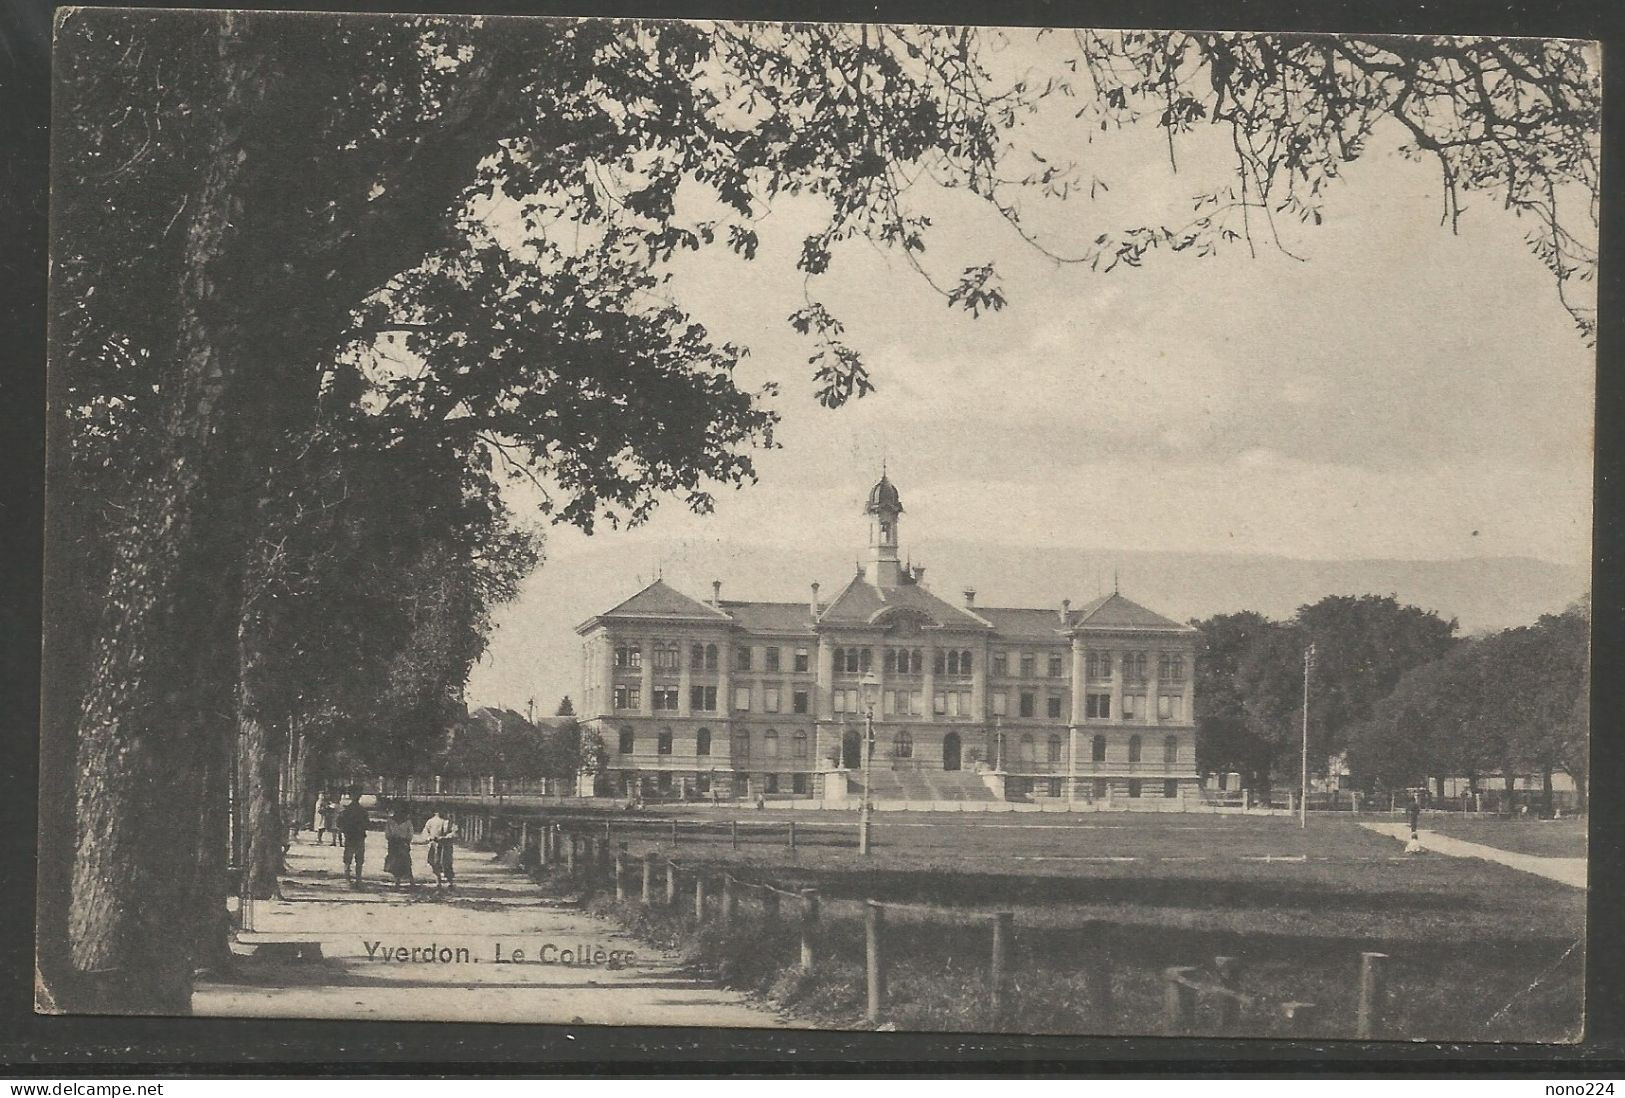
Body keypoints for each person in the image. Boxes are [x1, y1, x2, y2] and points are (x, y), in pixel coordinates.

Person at [336, 787, 370, 888]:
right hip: (356, 836)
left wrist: (344, 830)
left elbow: (339, 823)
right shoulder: (361, 811)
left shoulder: (346, 810)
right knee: (355, 859)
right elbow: (367, 824)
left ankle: (350, 879)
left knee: (351, 858)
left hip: (352, 836)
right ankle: (355, 879)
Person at [422, 808, 458, 892]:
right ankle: (438, 881)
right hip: (434, 845)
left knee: (447, 863)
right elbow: (425, 832)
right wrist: (429, 838)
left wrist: (446, 837)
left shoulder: (449, 821)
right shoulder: (430, 821)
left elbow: (454, 832)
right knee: (434, 862)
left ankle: (450, 882)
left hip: (446, 845)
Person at [383, 805, 416, 891]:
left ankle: (409, 881)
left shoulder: (405, 822)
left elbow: (388, 834)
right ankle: (400, 881)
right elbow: (410, 835)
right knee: (397, 862)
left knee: (404, 862)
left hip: (399, 843)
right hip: (397, 843)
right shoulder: (391, 821)